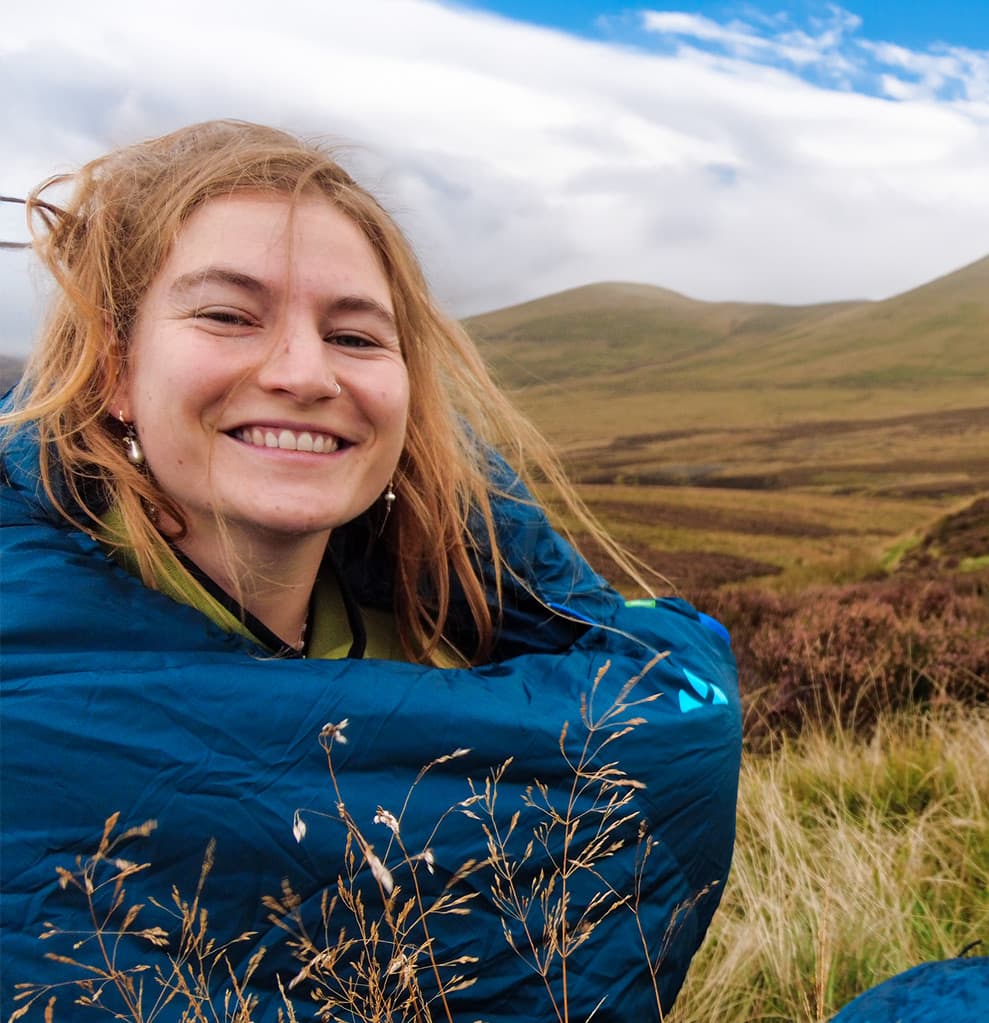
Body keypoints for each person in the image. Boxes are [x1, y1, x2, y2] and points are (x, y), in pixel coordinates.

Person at [0, 121, 743, 1020]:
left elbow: (671, 718)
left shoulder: (446, 631)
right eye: (228, 315)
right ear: (115, 370)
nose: (306, 373)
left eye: (356, 336)